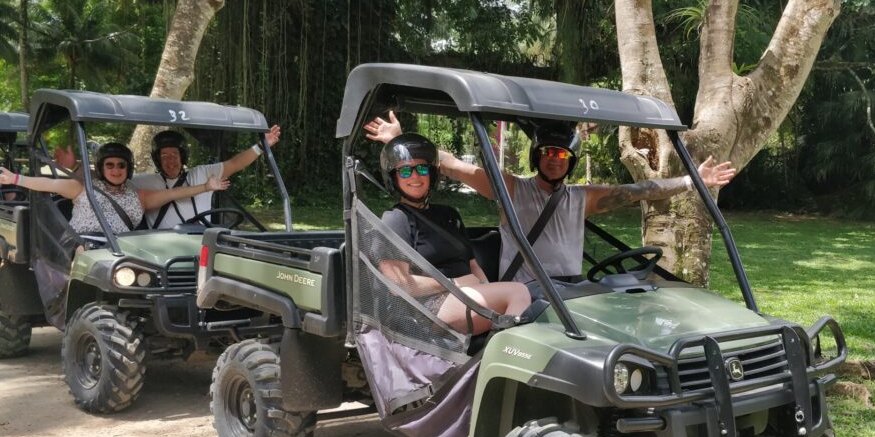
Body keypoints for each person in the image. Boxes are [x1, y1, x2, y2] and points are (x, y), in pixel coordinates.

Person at [364, 112, 736, 285]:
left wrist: (692, 181)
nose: (553, 161)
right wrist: (402, 141)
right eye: (547, 154)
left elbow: (639, 192)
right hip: (530, 290)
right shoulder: (511, 188)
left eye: (561, 156)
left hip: (572, 286)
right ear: (536, 157)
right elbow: (453, 166)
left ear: (570, 161)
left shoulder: (581, 197)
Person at [376, 133, 530, 335]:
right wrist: (452, 284)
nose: (415, 176)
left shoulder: (449, 215)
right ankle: (504, 351)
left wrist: (485, 287)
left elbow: (472, 265)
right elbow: (398, 286)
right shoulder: (396, 219)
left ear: (431, 173)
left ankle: (500, 343)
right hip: (426, 308)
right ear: (394, 177)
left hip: (464, 297)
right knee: (518, 291)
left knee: (538, 301)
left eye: (422, 168)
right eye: (405, 171)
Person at [0, 142, 229, 235]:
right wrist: (15, 178)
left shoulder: (139, 195)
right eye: (110, 165)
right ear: (102, 168)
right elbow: (48, 183)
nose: (116, 170)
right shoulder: (83, 188)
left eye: (121, 165)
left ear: (128, 168)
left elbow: (174, 193)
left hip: (121, 255)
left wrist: (205, 186)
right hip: (85, 247)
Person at [133, 125, 282, 229]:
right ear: (157, 159)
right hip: (162, 247)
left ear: (183, 156)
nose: (170, 160)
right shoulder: (144, 182)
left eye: (174, 155)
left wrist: (261, 146)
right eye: (164, 156)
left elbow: (235, 164)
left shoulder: (202, 174)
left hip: (200, 243)